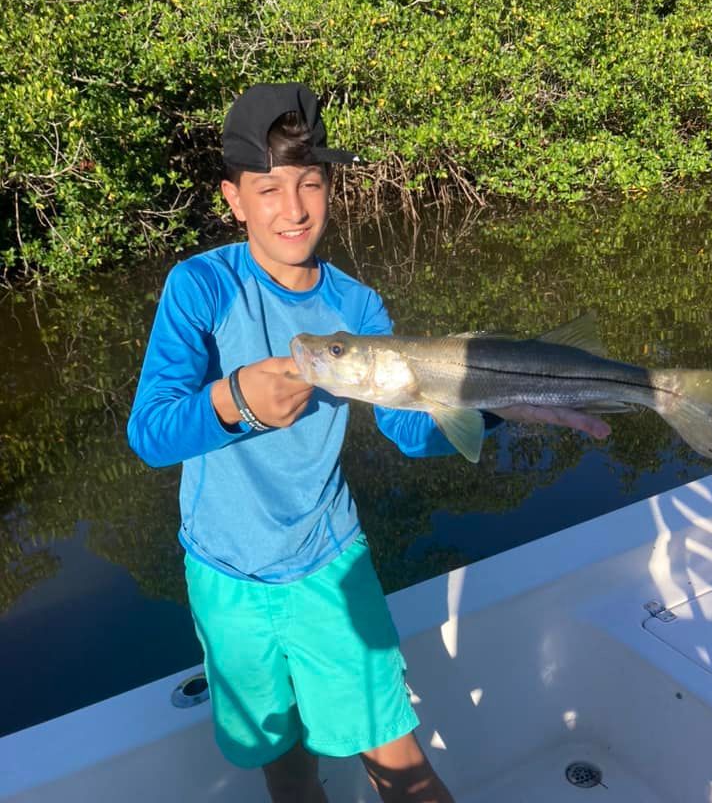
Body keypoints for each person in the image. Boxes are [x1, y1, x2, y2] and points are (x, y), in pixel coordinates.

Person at [127, 82, 610, 803]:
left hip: (329, 570)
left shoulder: (356, 306)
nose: (292, 209)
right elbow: (151, 435)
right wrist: (235, 401)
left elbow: (410, 433)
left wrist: (500, 404)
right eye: (267, 188)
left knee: (402, 769)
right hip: (220, 578)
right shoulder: (200, 286)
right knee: (285, 768)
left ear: (331, 189)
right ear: (234, 199)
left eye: (310, 184)